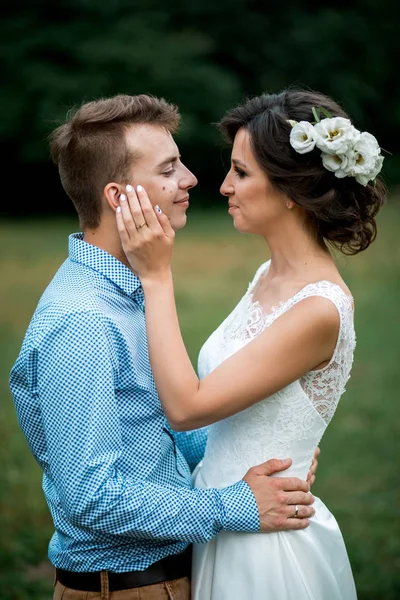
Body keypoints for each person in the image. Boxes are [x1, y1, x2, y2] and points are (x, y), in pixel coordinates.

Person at [9, 94, 318, 600]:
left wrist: (264, 456)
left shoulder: (130, 293)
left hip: (177, 573)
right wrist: (235, 505)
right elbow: (91, 496)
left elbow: (160, 433)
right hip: (127, 589)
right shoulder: (82, 323)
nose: (192, 179)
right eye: (169, 169)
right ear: (118, 197)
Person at [115, 87, 386, 600]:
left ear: (290, 189)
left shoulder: (318, 309)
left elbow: (187, 407)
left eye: (241, 172)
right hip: (229, 518)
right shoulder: (267, 274)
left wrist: (156, 277)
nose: (222, 187)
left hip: (267, 551)